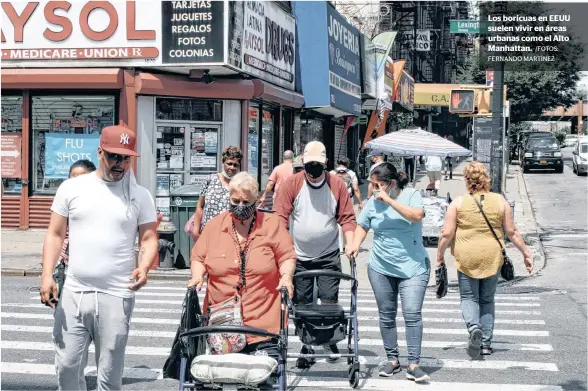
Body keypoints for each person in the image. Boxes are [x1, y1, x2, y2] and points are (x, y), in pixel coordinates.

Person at [40, 125, 159, 390]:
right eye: (114, 156)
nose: (120, 163)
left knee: (109, 375)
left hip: (116, 295)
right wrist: (47, 275)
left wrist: (144, 266)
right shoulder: (72, 188)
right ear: (100, 152)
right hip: (74, 291)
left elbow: (149, 237)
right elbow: (55, 234)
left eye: (126, 157)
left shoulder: (140, 195)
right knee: (67, 368)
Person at [188, 172, 296, 359]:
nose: (240, 206)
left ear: (256, 201)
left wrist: (286, 277)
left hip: (263, 322)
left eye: (246, 203)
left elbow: (286, 255)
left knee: (261, 380)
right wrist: (197, 276)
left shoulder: (271, 225)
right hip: (222, 323)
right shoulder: (215, 226)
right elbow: (198, 257)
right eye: (235, 200)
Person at [436, 162, 533, 358]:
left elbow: (446, 233)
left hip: (466, 256)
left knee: (469, 297)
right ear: (486, 178)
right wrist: (526, 254)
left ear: (466, 180)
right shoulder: (499, 201)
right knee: (487, 299)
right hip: (492, 256)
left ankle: (474, 328)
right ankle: (486, 343)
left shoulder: (458, 202)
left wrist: (439, 257)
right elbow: (511, 232)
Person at [274, 141, 356, 367]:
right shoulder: (292, 184)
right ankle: (306, 346)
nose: (313, 170)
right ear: (302, 164)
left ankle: (329, 340)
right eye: (309, 165)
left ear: (325, 164)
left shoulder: (336, 185)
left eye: (317, 166)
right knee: (302, 303)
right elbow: (280, 216)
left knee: (329, 302)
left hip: (328, 253)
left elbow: (347, 217)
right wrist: (282, 246)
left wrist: (350, 243)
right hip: (299, 255)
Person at [347, 162, 431, 382]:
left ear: (392, 184)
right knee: (387, 314)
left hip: (413, 267)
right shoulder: (372, 203)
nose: (373, 189)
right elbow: (362, 225)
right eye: (372, 185)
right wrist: (355, 244)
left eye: (378, 185)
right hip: (381, 267)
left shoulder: (411, 194)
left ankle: (413, 364)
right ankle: (392, 359)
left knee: (412, 314)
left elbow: (416, 215)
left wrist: (390, 201)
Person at [192, 146, 242, 241]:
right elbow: (200, 206)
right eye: (229, 163)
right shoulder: (210, 180)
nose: (232, 167)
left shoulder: (239, 184)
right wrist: (196, 231)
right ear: (223, 162)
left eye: (236, 165)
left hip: (230, 235)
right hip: (208, 233)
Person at [58, 160, 97, 266]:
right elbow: (55, 233)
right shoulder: (64, 200)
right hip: (65, 258)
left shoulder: (99, 201)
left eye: (81, 178)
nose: (76, 182)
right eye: (73, 178)